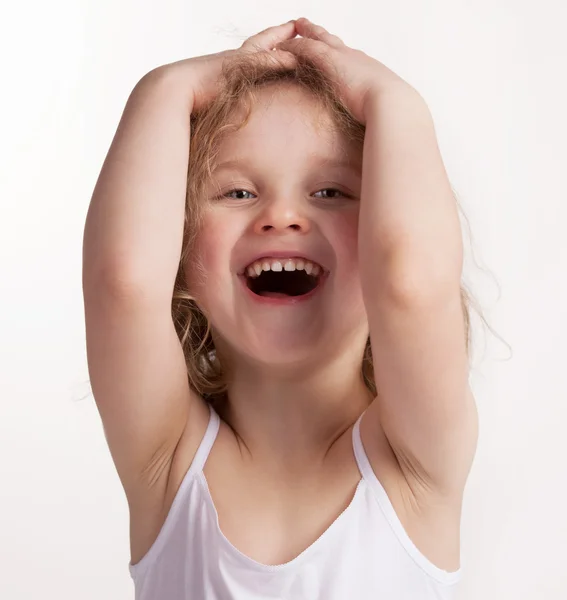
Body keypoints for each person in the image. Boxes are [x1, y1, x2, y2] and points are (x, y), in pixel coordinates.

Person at [82, 17, 479, 600]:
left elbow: (411, 284)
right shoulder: (168, 459)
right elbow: (124, 281)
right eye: (238, 192)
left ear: (380, 229)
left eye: (331, 192)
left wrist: (393, 101)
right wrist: (168, 88)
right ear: (183, 247)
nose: (282, 217)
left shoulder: (413, 461)